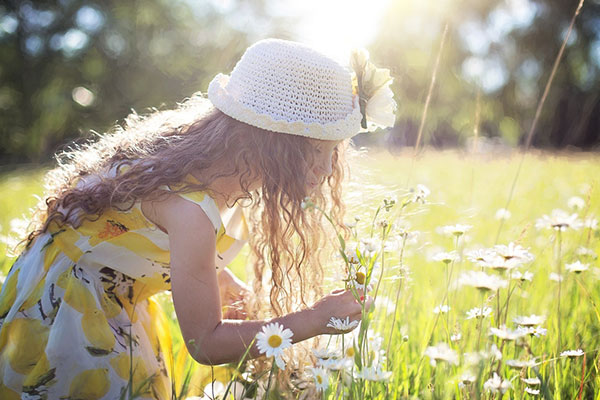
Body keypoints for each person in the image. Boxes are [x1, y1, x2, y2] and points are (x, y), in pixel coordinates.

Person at [0, 38, 394, 398]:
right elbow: (205, 344)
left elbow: (129, 233)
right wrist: (314, 319)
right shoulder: (191, 211)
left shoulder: (207, 163)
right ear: (270, 144)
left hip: (106, 288)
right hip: (68, 308)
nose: (327, 170)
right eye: (316, 152)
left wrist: (219, 278)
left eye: (334, 153)